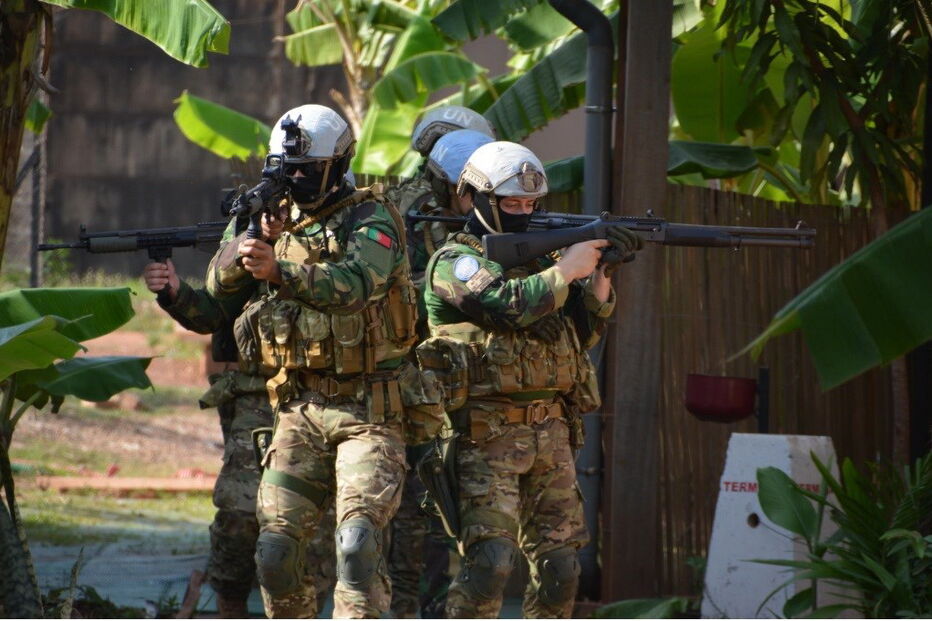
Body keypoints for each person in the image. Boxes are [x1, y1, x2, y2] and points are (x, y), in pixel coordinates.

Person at [207, 103, 427, 618]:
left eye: (308, 170)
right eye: (288, 169)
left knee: (356, 547)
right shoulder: (270, 215)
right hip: (297, 408)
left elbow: (355, 285)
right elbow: (217, 285)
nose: (297, 178)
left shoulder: (372, 217)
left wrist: (281, 270)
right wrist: (255, 239)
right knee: (277, 554)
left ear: (338, 165)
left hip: (368, 413)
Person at [419, 141, 643, 618]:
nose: (522, 214)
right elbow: (508, 306)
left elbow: (579, 336)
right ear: (476, 199)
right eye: (510, 204)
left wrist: (599, 277)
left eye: (529, 205)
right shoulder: (455, 262)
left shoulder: (544, 266)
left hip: (551, 433)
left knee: (563, 567)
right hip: (483, 436)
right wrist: (567, 270)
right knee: (490, 564)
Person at [143, 248, 337, 617]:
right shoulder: (249, 232)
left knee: (313, 531)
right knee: (239, 516)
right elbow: (212, 311)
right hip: (256, 393)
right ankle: (230, 604)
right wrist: (173, 291)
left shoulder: (347, 224)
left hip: (325, 394)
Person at [384, 127, 494, 618]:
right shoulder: (401, 219)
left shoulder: (485, 229)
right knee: (411, 516)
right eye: (469, 192)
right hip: (409, 389)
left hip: (467, 392)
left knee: (456, 517)